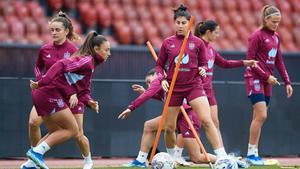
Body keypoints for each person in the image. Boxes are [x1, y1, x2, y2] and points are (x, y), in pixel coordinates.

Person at [21, 11, 97, 169]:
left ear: (66, 31)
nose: (54, 33)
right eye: (52, 30)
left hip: (69, 96)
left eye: (57, 30)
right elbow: (37, 67)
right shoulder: (44, 49)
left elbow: (76, 76)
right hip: (49, 93)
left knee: (78, 133)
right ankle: (34, 159)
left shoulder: (74, 50)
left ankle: (88, 162)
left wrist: (76, 94)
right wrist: (40, 80)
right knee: (33, 123)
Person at [155, 4, 227, 159]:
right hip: (174, 87)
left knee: (207, 121)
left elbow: (202, 64)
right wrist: (161, 79)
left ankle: (222, 157)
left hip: (194, 86)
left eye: (184, 23)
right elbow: (159, 65)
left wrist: (201, 69)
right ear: (174, 23)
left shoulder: (198, 43)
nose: (180, 26)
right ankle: (171, 159)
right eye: (178, 23)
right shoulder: (168, 42)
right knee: (169, 128)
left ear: (190, 24)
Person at [118, 69, 217, 168]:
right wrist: (146, 91)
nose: (149, 85)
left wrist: (131, 107)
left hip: (187, 115)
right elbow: (159, 95)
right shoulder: (164, 84)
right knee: (150, 126)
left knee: (197, 158)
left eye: (149, 82)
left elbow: (148, 94)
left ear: (156, 75)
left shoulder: (159, 79)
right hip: (178, 115)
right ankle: (144, 160)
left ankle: (222, 160)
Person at [191, 20, 258, 147]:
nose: (218, 35)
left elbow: (225, 63)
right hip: (196, 90)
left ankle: (221, 155)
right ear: (208, 32)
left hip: (208, 90)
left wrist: (244, 62)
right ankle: (182, 153)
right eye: (216, 32)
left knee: (215, 122)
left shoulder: (211, 49)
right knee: (194, 123)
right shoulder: (196, 47)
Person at [244, 5, 293, 165]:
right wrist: (267, 76)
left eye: (278, 22)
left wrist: (287, 81)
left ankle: (253, 153)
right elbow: (250, 62)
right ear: (265, 19)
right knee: (262, 115)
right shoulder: (256, 36)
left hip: (267, 81)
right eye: (273, 22)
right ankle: (251, 154)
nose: (276, 25)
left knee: (258, 117)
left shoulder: (276, 37)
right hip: (254, 78)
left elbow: (279, 60)